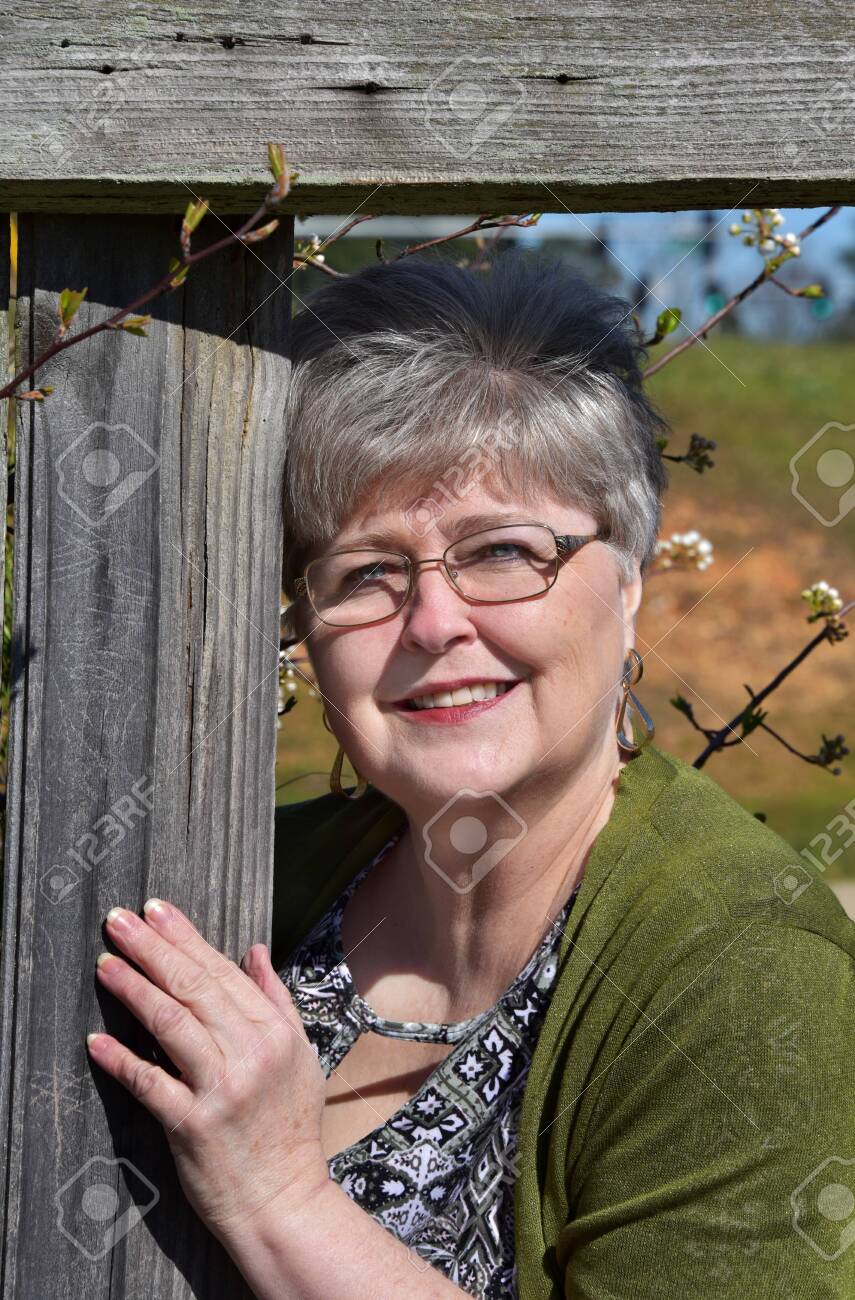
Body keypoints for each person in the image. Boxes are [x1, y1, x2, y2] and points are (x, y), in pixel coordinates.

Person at [89, 252, 855, 1299]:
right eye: (367, 572)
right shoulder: (247, 881)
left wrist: (279, 1198)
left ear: (629, 582)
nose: (436, 621)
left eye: (501, 552)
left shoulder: (747, 970)